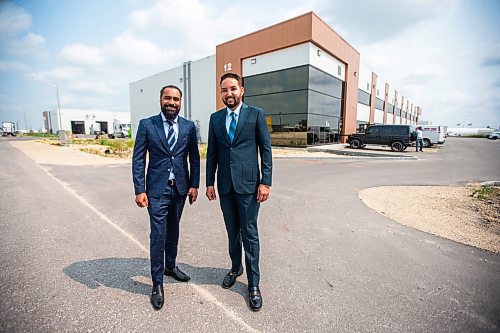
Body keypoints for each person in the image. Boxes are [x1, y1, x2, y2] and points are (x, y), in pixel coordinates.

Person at [206, 72, 272, 311]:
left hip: (249, 187)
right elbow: (212, 153)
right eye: (224, 90)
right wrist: (209, 182)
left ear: (241, 90)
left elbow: (265, 151)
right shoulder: (215, 119)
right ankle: (236, 268)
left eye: (232, 89)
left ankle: (253, 284)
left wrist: (266, 182)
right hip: (224, 186)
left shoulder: (256, 115)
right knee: (232, 231)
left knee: (249, 234)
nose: (228, 94)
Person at [132, 85, 200, 310]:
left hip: (179, 190)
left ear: (181, 102)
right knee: (158, 234)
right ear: (160, 99)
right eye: (167, 98)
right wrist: (139, 189)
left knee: (174, 230)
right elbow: (139, 159)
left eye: (176, 99)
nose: (172, 102)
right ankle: (157, 283)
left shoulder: (189, 127)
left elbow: (194, 158)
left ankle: (170, 266)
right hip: (156, 191)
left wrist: (194, 185)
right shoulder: (147, 125)